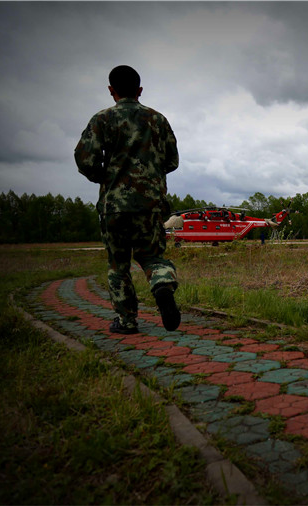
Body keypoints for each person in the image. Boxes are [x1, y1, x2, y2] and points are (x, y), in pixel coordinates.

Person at [75, 65, 180, 334]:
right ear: (140, 90)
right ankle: (162, 287)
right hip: (150, 205)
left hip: (114, 207)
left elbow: (84, 159)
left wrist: (106, 177)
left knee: (118, 265)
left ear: (112, 91)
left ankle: (127, 321)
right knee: (153, 257)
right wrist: (150, 177)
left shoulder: (102, 119)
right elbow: (172, 160)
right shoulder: (158, 120)